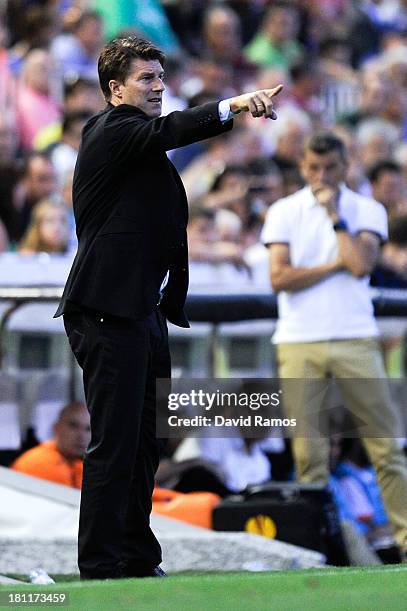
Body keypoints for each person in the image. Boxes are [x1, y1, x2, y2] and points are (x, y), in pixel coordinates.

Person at [55, 35, 283, 580]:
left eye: (161, 78)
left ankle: (135, 556)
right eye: (146, 79)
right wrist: (234, 104)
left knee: (144, 444)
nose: (158, 88)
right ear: (115, 89)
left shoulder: (130, 138)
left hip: (141, 311)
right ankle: (102, 564)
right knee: (115, 442)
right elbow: (170, 130)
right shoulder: (112, 130)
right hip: (108, 311)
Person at [262, 131, 407, 558]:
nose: (321, 176)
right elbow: (278, 278)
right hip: (298, 338)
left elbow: (361, 265)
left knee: (385, 446)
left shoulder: (366, 209)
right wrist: (334, 264)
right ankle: (317, 546)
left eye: (329, 168)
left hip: (355, 336)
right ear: (302, 167)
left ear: (346, 167)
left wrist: (336, 218)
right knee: (309, 453)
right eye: (313, 168)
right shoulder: (283, 211)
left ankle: (405, 542)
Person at [12, 402, 90, 489]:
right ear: (56, 428)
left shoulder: (80, 464)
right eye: (73, 426)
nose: (81, 436)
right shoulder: (39, 462)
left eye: (88, 429)